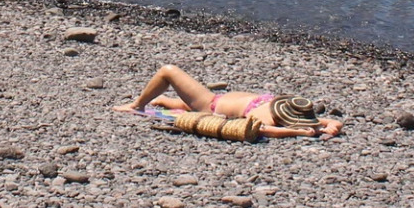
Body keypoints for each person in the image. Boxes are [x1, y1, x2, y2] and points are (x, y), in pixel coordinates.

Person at [115, 65, 344, 139]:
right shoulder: (291, 112)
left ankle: (137, 106)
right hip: (216, 100)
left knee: (168, 71)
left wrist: (299, 134)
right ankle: (166, 100)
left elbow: (261, 130)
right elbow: (323, 122)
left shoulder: (268, 117)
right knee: (179, 100)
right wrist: (328, 125)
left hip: (210, 105)